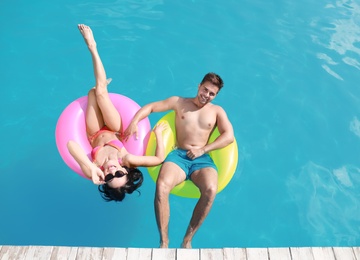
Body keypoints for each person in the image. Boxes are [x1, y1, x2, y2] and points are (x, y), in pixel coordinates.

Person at [124, 72, 234, 248]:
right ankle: (164, 241)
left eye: (212, 93)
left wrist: (203, 150)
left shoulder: (216, 111)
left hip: (202, 159)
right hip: (178, 156)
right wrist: (135, 121)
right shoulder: (179, 102)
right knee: (161, 186)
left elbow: (229, 136)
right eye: (205, 89)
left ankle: (187, 240)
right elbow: (152, 107)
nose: (206, 95)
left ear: (216, 95)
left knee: (211, 190)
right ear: (199, 86)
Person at [67, 24, 167, 202]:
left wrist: (89, 167)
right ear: (126, 171)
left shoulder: (95, 166)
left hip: (94, 133)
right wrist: (158, 136)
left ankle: (101, 87)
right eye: (119, 173)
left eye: (109, 178)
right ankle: (92, 47)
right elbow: (159, 159)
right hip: (115, 129)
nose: (112, 171)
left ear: (104, 180)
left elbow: (70, 145)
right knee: (99, 92)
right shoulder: (127, 158)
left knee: (91, 93)